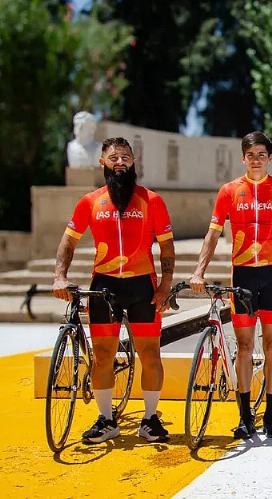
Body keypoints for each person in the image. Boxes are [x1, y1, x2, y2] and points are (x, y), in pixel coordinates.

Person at [52, 136, 175, 444]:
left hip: (142, 286)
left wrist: (165, 285)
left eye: (125, 157)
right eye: (113, 157)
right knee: (103, 355)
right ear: (102, 163)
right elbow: (69, 241)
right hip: (104, 286)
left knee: (150, 354)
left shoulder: (152, 200)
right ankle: (106, 420)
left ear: (133, 162)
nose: (120, 162)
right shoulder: (90, 201)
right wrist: (59, 277)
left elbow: (167, 247)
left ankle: (150, 419)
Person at [191, 131, 272, 440]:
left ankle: (270, 414)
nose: (256, 160)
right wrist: (199, 271)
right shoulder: (229, 191)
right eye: (250, 155)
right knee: (245, 346)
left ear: (270, 158)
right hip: (243, 276)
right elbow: (213, 234)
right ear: (243, 158)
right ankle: (244, 416)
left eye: (261, 155)